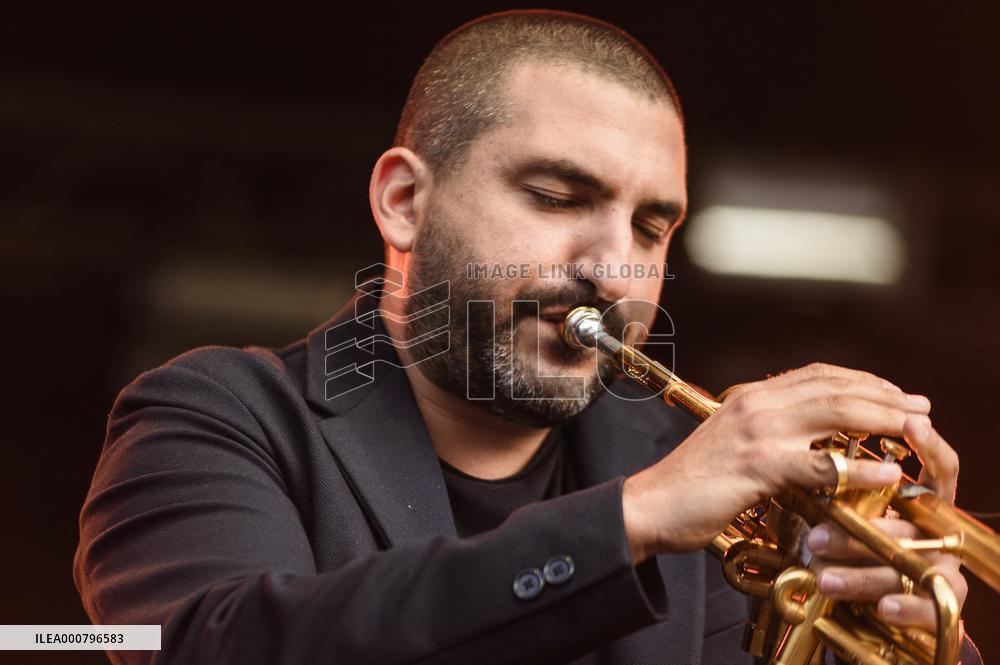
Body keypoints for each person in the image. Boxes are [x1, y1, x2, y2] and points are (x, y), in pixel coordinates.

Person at [74, 9, 981, 665]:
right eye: (557, 198)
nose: (609, 264)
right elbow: (209, 645)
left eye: (651, 228)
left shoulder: (702, 492)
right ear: (404, 201)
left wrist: (908, 627)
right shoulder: (216, 415)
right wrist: (632, 520)